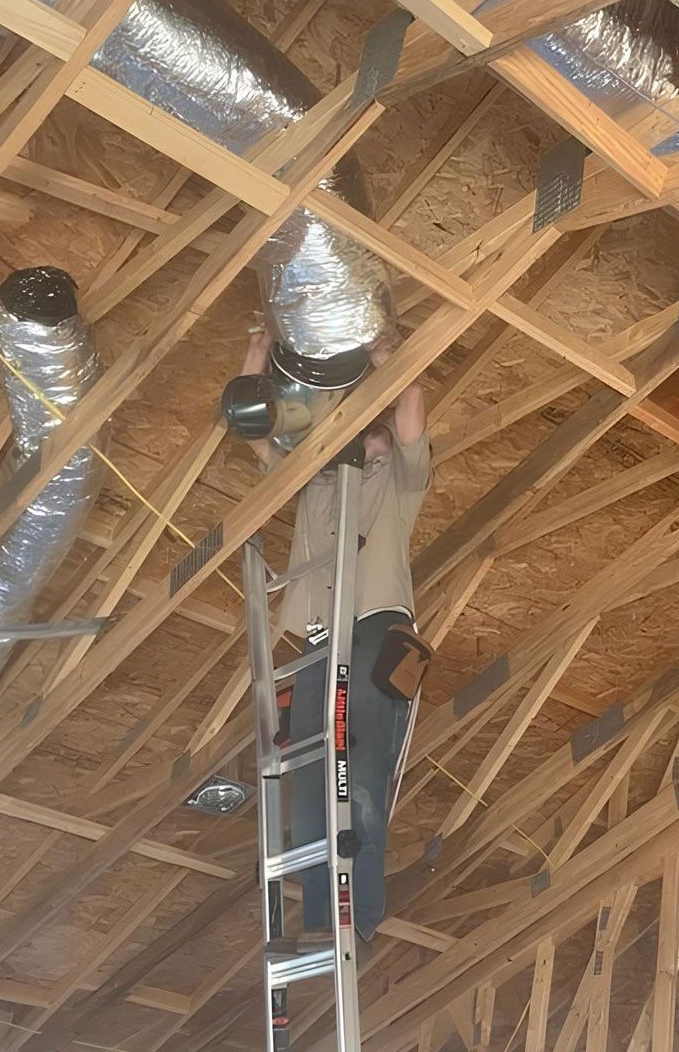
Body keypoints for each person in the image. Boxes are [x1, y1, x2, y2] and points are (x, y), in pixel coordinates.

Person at [237, 327, 431, 939]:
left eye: (368, 430)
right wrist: (256, 353)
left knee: (362, 772)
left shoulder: (399, 481)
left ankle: (360, 911)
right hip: (319, 639)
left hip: (376, 629)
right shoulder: (316, 482)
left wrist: (383, 357)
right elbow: (254, 433)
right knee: (314, 782)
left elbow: (411, 418)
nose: (360, 437)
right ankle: (325, 914)